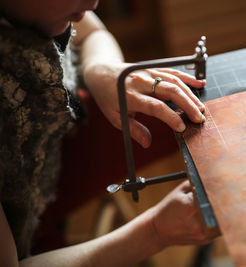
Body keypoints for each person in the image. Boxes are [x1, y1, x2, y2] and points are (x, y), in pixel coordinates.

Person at [0, 0, 211, 266]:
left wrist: (101, 69)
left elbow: (92, 31)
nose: (93, 2)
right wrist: (154, 231)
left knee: (193, 109)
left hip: (52, 156)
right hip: (24, 236)